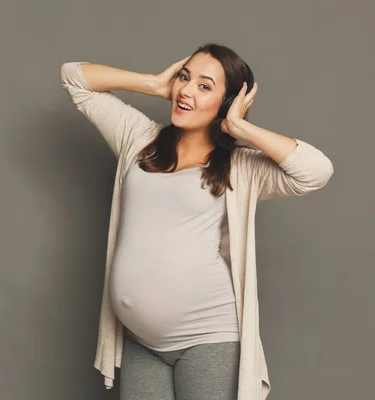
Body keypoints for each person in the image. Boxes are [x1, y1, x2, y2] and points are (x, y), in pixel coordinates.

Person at [60, 43, 335, 400]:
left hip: (208, 339)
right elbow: (74, 77)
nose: (186, 90)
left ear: (227, 101)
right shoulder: (139, 139)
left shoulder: (242, 167)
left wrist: (238, 127)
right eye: (184, 78)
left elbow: (316, 171)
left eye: (205, 86)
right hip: (142, 344)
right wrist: (154, 84)